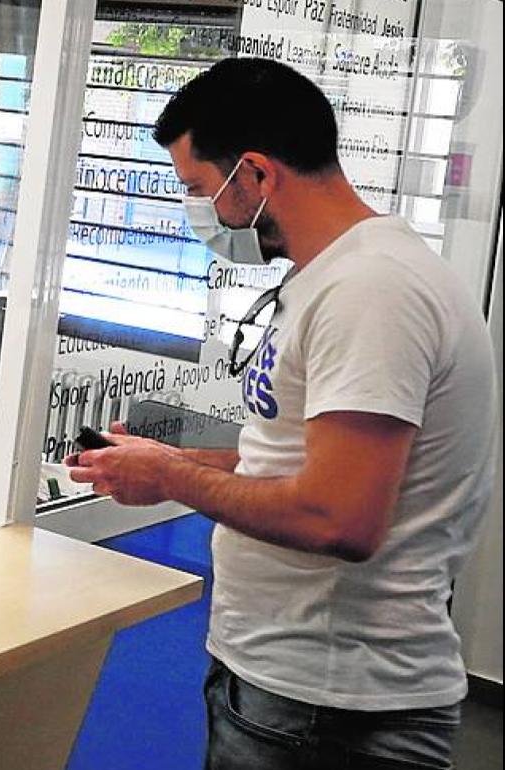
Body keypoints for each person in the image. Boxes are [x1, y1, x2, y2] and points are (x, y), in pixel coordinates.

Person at [66, 58, 496, 770]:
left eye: (198, 191)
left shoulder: (371, 292)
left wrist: (172, 482)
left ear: (257, 176)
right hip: (288, 688)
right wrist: (165, 460)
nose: (195, 214)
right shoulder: (332, 275)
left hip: (330, 709)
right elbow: (292, 460)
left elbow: (340, 518)